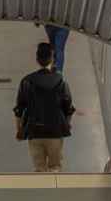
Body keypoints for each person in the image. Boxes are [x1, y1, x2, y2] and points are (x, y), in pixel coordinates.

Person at [14, 41, 74, 172]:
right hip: (55, 130)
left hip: (34, 131)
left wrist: (19, 129)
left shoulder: (27, 81)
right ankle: (55, 189)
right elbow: (68, 107)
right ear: (52, 59)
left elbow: (19, 109)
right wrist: (67, 124)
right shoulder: (60, 81)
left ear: (37, 59)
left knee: (39, 169)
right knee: (55, 168)